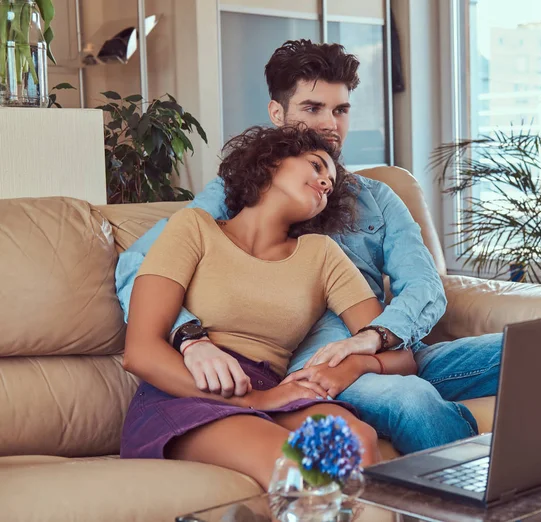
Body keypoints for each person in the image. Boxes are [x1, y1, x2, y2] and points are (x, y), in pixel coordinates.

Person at [116, 39, 502, 455]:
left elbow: (425, 287)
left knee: (538, 350)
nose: (330, 124)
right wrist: (192, 339)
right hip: (311, 362)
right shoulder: (235, 194)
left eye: (340, 110)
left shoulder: (378, 198)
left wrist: (372, 341)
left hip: (386, 344)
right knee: (411, 399)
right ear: (277, 114)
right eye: (313, 108)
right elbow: (137, 264)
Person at [120, 125, 418, 489]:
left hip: (276, 387)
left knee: (358, 441)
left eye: (331, 181)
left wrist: (352, 365)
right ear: (272, 161)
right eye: (316, 166)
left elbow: (402, 356)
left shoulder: (322, 255)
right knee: (298, 470)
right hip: (187, 389)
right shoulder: (194, 228)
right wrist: (257, 398)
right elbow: (140, 352)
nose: (326, 183)